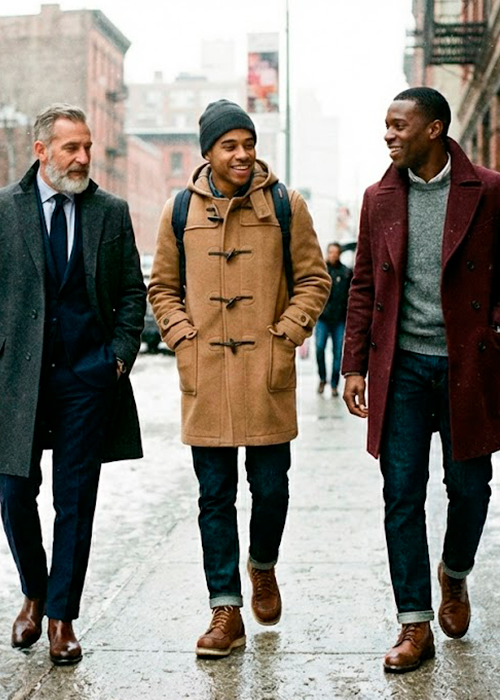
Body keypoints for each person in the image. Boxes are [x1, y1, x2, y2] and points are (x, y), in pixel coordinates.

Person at [341, 87, 500, 673]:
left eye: (399, 125)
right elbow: (363, 286)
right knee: (401, 492)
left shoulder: (490, 190)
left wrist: (496, 330)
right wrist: (354, 363)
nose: (389, 135)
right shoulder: (378, 198)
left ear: (434, 130)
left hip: (466, 365)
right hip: (400, 367)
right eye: (385, 125)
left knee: (469, 488)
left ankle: (454, 574)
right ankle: (413, 622)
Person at [0, 103, 146, 666]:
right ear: (41, 151)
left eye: (87, 146)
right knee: (14, 492)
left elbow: (133, 293)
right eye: (71, 148)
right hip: (16, 379)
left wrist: (116, 359)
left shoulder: (111, 211)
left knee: (76, 501)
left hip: (89, 378)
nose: (83, 157)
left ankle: (61, 616)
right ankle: (34, 589)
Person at [148, 99, 330, 659]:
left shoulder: (284, 203)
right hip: (206, 373)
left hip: (267, 369)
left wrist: (287, 333)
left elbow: (314, 279)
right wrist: (184, 336)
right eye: (230, 145)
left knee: (272, 488)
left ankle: (263, 565)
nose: (243, 154)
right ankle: (224, 608)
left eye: (248, 143)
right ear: (208, 152)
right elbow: (161, 288)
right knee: (214, 496)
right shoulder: (179, 210)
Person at [315, 242, 352, 397]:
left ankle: (334, 384)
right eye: (330, 252)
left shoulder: (346, 272)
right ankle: (323, 378)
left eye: (336, 252)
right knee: (319, 348)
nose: (333, 255)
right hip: (322, 319)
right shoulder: (321, 271)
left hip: (339, 320)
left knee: (338, 353)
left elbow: (351, 296)